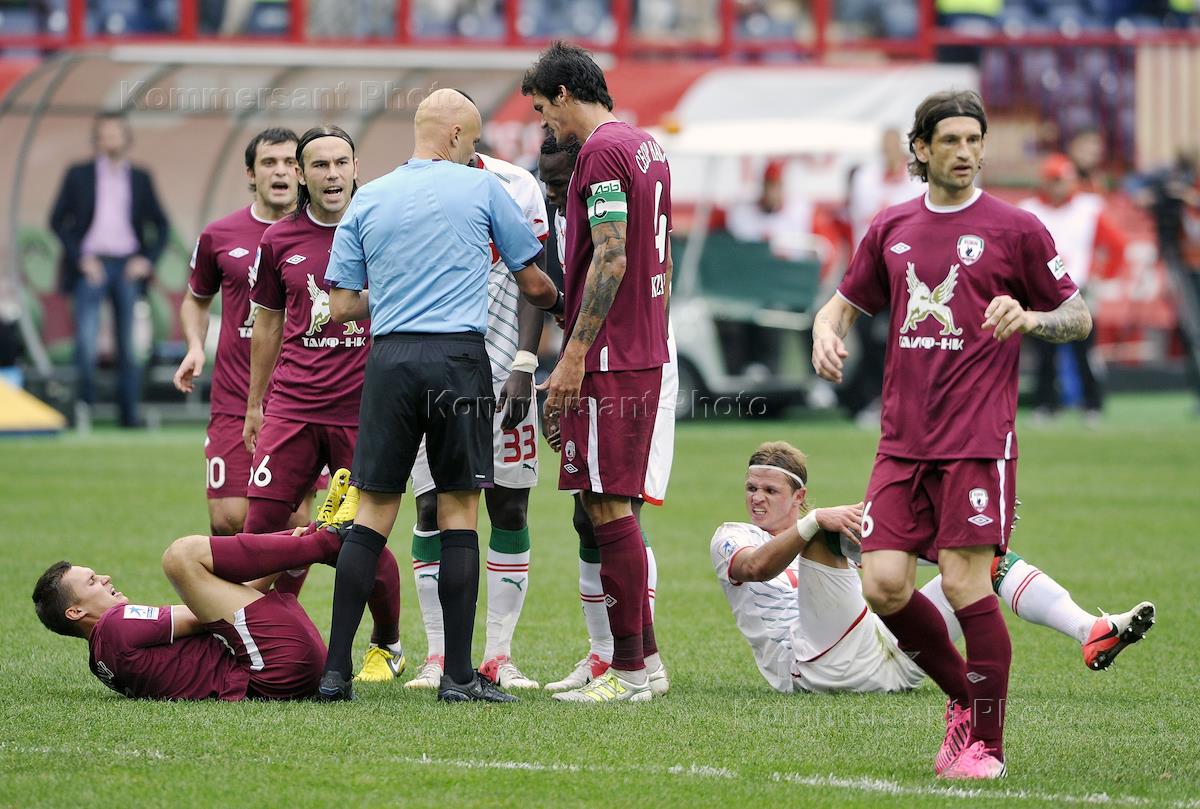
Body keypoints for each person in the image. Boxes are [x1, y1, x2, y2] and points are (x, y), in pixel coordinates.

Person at [811, 90, 1094, 779]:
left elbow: (1078, 315)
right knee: (882, 584)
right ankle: (966, 699)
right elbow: (842, 304)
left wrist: (1031, 318)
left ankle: (985, 747)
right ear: (921, 149)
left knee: (967, 584)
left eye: (974, 140)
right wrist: (824, 330)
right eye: (951, 141)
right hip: (901, 440)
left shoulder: (1016, 229)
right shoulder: (892, 225)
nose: (966, 152)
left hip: (977, 439)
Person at [318, 89, 560, 703]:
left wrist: (400, 290)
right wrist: (564, 298)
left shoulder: (369, 196)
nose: (474, 150)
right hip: (458, 360)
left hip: (390, 360)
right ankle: (457, 676)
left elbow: (341, 305)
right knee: (459, 513)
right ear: (454, 135)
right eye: (473, 139)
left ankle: (335, 672)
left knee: (373, 514)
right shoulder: (482, 188)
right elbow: (533, 284)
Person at [711, 441, 1156, 696]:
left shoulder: (829, 530)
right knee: (824, 535)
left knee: (984, 563)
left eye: (769, 490)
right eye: (751, 488)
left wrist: (974, 535)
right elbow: (754, 568)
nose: (757, 498)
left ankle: (1089, 630)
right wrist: (816, 521)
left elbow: (897, 556)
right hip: (817, 668)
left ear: (799, 495)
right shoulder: (734, 535)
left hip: (897, 660)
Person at [523, 41, 672, 703]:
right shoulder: (646, 145)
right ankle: (647, 663)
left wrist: (574, 356)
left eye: (542, 108)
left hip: (613, 355)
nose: (546, 124)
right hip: (641, 345)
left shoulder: (602, 151)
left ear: (563, 93)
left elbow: (611, 256)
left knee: (609, 506)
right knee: (604, 503)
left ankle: (628, 671)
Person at [243, 125, 404, 683]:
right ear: (302, 174)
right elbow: (267, 323)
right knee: (259, 528)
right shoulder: (278, 240)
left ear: (356, 168)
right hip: (291, 409)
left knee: (359, 535)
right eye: (320, 165)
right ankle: (241, 635)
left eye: (341, 163)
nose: (332, 174)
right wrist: (256, 404)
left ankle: (386, 643)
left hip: (363, 411)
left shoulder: (384, 227)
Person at [404, 148, 550, 691]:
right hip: (435, 377)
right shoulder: (408, 189)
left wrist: (525, 363)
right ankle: (438, 656)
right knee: (430, 506)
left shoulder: (515, 185)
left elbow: (535, 276)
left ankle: (498, 656)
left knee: (509, 506)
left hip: (505, 373)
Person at [173, 127, 314, 536]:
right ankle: (239, 582)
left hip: (302, 396)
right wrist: (195, 346)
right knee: (228, 518)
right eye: (269, 162)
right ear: (251, 173)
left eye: (290, 162)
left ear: (302, 172)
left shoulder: (326, 232)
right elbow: (196, 299)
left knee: (294, 520)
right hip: (234, 396)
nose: (280, 171)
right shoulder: (219, 235)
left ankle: (273, 585)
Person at [49, 111, 170, 428]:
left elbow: (162, 225)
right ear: (96, 139)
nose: (110, 140)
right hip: (91, 266)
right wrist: (80, 258)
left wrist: (145, 260)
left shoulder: (140, 177)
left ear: (126, 138)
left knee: (128, 346)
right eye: (104, 134)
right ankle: (83, 410)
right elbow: (57, 220)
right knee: (86, 342)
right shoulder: (78, 174)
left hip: (127, 267)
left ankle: (128, 415)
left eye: (115, 133)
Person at [1019, 154, 1128, 423]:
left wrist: (1100, 275)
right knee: (1045, 353)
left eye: (1067, 179)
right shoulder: (1029, 210)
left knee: (1085, 352)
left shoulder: (1088, 208)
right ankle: (1046, 404)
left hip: (1079, 290)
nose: (1063, 185)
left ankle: (1092, 404)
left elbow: (1117, 245)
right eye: (1057, 180)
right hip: (1042, 293)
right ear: (1046, 181)